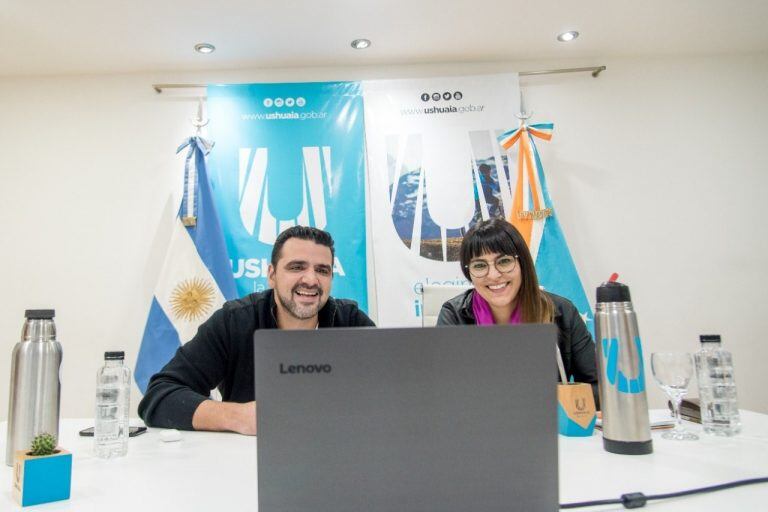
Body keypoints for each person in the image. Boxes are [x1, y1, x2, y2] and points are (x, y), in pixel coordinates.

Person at [138, 226, 374, 435]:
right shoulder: (235, 321)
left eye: (322, 270)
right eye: (297, 267)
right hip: (246, 463)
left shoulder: (351, 322)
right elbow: (159, 397)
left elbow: (395, 395)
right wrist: (240, 417)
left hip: (334, 457)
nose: (311, 280)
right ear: (272, 275)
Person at [436, 218, 598, 403]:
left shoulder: (562, 311)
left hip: (548, 427)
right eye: (480, 265)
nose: (494, 275)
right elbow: (443, 393)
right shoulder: (455, 315)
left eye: (504, 261)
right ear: (469, 272)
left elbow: (598, 388)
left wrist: (545, 400)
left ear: (522, 264)